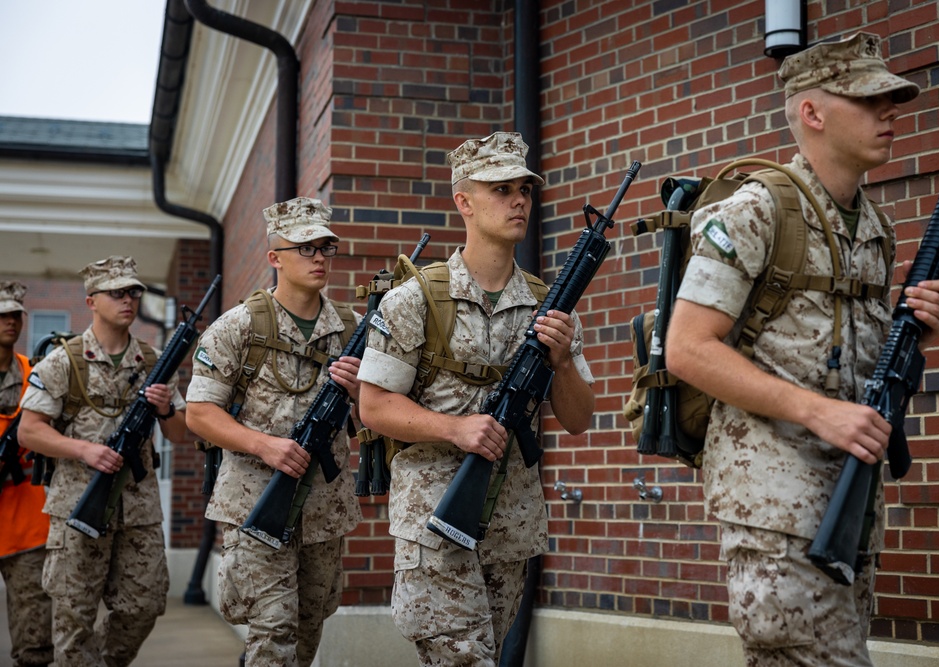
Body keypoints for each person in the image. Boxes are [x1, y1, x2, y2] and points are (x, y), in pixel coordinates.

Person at [665, 32, 939, 667]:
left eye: (892, 100)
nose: (890, 113)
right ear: (812, 113)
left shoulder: (875, 228)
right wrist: (816, 411)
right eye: (869, 99)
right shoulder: (757, 210)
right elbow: (686, 349)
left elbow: (851, 367)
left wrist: (912, 338)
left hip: (849, 503)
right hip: (774, 507)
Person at [357, 131, 596, 665]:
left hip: (510, 526)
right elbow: (372, 406)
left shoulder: (548, 306)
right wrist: (454, 428)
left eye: (525, 191)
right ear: (463, 201)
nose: (518, 201)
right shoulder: (412, 300)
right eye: (501, 189)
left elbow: (579, 419)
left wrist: (560, 362)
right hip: (436, 519)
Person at [184, 196, 363, 666]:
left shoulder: (352, 329)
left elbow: (375, 421)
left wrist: (362, 392)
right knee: (274, 630)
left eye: (326, 246)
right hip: (253, 503)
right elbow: (200, 413)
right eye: (305, 247)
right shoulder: (238, 327)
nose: (319, 256)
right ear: (274, 256)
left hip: (324, 507)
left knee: (305, 636)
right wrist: (265, 445)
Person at [18, 256, 186, 667]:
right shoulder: (63, 361)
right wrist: (84, 450)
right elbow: (29, 431)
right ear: (91, 300)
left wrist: (166, 410)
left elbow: (182, 435)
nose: (128, 300)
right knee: (74, 618)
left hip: (138, 512)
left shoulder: (155, 361)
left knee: (143, 607)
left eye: (134, 292)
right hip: (78, 507)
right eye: (117, 293)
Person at [0, 281, 53, 667]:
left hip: (25, 524)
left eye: (16, 314)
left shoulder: (35, 374)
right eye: (2, 314)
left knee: (35, 640)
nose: (10, 321)